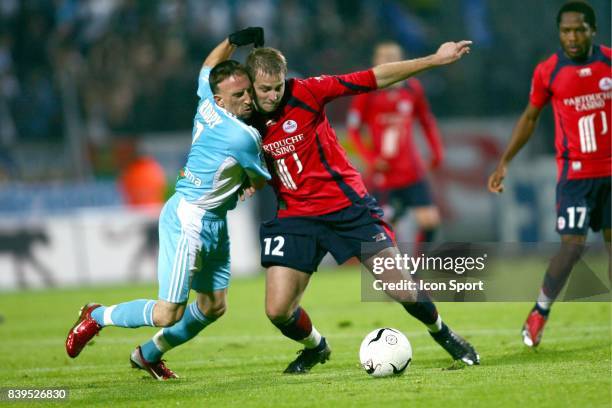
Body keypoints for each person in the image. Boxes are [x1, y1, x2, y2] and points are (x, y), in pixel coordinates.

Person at [245, 39, 480, 374]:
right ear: (251, 85)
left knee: (399, 287)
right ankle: (316, 347)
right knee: (277, 310)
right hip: (295, 216)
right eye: (265, 89)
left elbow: (373, 77)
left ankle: (444, 334)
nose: (272, 95)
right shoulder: (243, 118)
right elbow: (211, 95)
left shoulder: (309, 91)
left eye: (277, 87)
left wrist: (433, 59)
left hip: (346, 208)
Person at [65, 28, 270, 380]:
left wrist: (233, 41)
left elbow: (208, 65)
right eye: (239, 95)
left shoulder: (207, 99)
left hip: (214, 222)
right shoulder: (243, 136)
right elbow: (263, 178)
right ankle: (96, 316)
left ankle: (148, 354)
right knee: (166, 313)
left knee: (212, 306)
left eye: (249, 91)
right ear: (222, 101)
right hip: (189, 220)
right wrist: (246, 183)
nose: (248, 99)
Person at [488, 1, 610, 347]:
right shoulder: (549, 71)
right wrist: (505, 161)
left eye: (579, 30)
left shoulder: (610, 62)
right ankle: (540, 311)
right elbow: (530, 117)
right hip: (576, 177)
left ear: (592, 31)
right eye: (566, 31)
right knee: (572, 248)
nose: (572, 37)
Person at [347, 41, 444, 249]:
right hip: (385, 173)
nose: (390, 60)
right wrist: (371, 159)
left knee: (430, 221)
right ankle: (393, 276)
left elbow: (426, 120)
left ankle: (415, 273)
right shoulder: (366, 92)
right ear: (376, 61)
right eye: (385, 57)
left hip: (411, 170)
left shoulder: (413, 88)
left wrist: (436, 151)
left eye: (394, 56)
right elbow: (353, 131)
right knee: (385, 229)